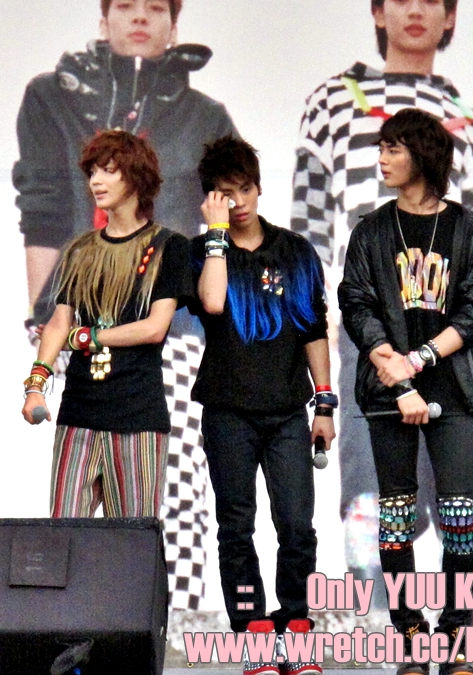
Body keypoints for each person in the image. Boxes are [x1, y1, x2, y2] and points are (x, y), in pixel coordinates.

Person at [13, 0, 236, 609]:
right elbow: (42, 217)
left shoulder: (205, 120)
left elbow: (167, 315)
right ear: (103, 19)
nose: (140, 17)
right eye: (126, 5)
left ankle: (167, 627)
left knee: (165, 506)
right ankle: (64, 630)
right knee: (66, 523)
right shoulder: (52, 99)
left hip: (168, 359)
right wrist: (40, 367)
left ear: (174, 23)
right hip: (79, 373)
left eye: (155, 7)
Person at [292, 0, 473, 597]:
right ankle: (395, 621)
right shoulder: (331, 101)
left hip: (453, 346)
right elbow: (311, 232)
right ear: (377, 11)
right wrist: (369, 346)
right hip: (372, 340)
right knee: (379, 491)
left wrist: (442, 355)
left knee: (465, 497)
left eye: (432, 0)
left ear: (450, 16)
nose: (415, 9)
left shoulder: (470, 121)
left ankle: (463, 620)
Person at [338, 109, 473, 675]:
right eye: (380, 148)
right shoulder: (371, 230)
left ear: (423, 156)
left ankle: (455, 636)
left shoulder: (468, 229)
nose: (381, 159)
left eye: (393, 148)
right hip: (387, 393)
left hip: (451, 392)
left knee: (458, 516)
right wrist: (398, 374)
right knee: (395, 518)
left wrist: (422, 359)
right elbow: (356, 305)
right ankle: (410, 636)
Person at [192, 136, 334, 675]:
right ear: (211, 198)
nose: (239, 202)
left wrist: (325, 405)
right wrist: (215, 236)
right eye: (225, 194)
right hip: (227, 409)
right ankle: (252, 633)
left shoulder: (295, 251)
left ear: (258, 186)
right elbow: (212, 302)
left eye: (245, 189)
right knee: (236, 526)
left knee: (297, 524)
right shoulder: (202, 251)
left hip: (288, 411)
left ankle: (296, 627)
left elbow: (314, 329)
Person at [22, 130, 189, 523]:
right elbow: (59, 322)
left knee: (132, 538)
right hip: (78, 411)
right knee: (64, 531)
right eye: (93, 172)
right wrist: (35, 385)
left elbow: (154, 328)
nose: (96, 181)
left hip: (137, 416)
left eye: (108, 171)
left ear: (136, 177)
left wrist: (88, 337)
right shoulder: (80, 249)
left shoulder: (168, 246)